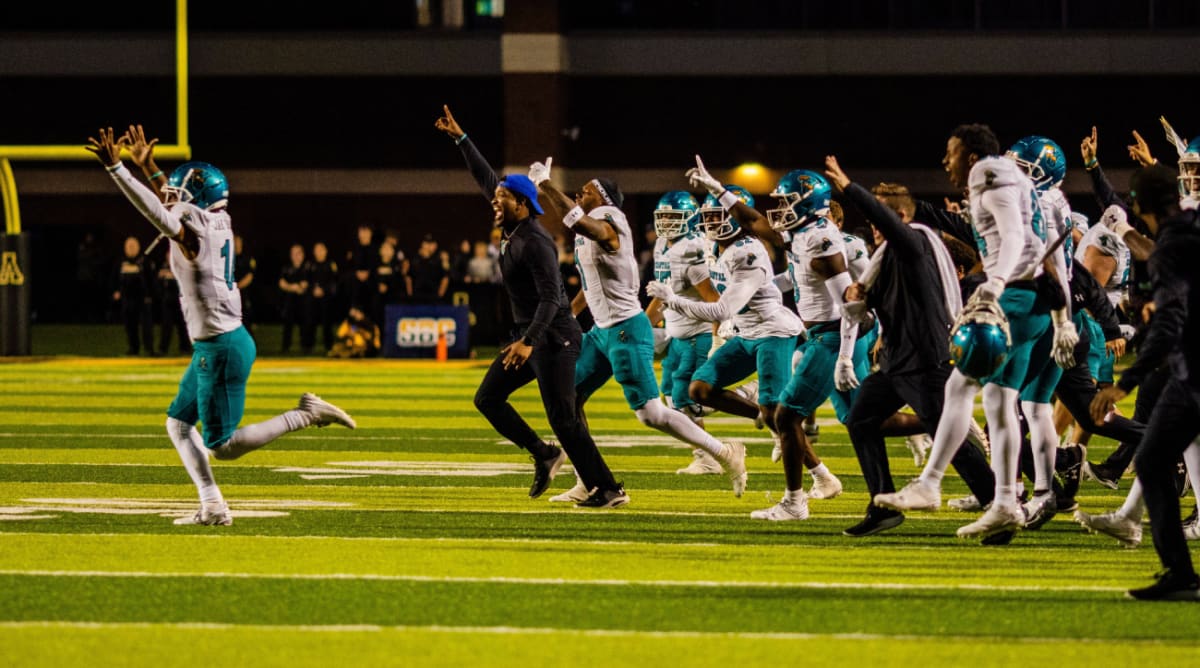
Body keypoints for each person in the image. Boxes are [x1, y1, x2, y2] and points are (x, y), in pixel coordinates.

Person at [87, 125, 355, 526]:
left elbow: (159, 212)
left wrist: (117, 171)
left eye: (180, 193)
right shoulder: (217, 219)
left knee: (222, 445)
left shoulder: (192, 231)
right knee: (178, 423)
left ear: (196, 200)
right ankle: (212, 505)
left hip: (221, 347)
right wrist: (150, 168)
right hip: (220, 342)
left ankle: (305, 414)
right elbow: (171, 203)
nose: (173, 196)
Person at [874, 123, 1078, 541]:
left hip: (1016, 297)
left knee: (959, 384)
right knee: (1001, 401)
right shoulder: (1023, 184)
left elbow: (1017, 238)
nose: (944, 161)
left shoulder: (986, 173)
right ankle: (1005, 502)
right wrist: (1062, 316)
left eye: (950, 152)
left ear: (970, 156)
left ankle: (929, 483)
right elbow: (1046, 248)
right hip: (1038, 299)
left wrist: (994, 287)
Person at [436, 104, 625, 507]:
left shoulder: (534, 241)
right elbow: (485, 177)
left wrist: (528, 341)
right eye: (497, 196)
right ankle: (544, 453)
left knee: (564, 416)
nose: (495, 200)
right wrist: (462, 139)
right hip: (532, 335)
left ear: (522, 203)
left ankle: (606, 488)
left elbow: (551, 299)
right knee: (487, 398)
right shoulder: (513, 223)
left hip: (553, 336)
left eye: (503, 197)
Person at [533, 155, 749, 501]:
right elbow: (591, 284)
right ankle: (589, 480)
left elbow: (579, 223)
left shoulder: (609, 220)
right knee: (567, 398)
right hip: (603, 331)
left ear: (603, 199)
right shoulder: (596, 223)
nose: (579, 194)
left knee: (651, 413)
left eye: (587, 191)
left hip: (624, 328)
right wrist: (570, 314)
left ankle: (724, 452)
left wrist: (546, 185)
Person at [823, 156, 997, 537]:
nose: (874, 228)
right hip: (896, 361)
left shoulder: (915, 241)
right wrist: (857, 297)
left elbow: (890, 226)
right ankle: (882, 504)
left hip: (926, 360)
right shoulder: (887, 258)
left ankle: (997, 505)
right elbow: (871, 309)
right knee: (862, 420)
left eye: (880, 219)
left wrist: (850, 188)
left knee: (950, 439)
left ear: (900, 216)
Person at [1090, 163, 1200, 600]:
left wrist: (1125, 383)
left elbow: (1173, 317)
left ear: (1138, 205)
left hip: (1192, 371)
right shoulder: (1191, 227)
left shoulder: (1172, 243)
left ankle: (1180, 574)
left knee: (1153, 461)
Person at [643, 190, 724, 474]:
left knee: (685, 396)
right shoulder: (663, 245)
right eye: (662, 216)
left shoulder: (693, 249)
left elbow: (715, 300)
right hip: (677, 334)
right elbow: (664, 293)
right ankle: (706, 452)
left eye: (673, 217)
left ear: (690, 218)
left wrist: (716, 337)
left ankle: (710, 455)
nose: (666, 223)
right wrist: (644, 324)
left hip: (697, 332)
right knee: (669, 395)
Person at [111, 235, 155, 356]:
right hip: (127, 299)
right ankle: (133, 348)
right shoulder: (121, 261)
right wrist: (116, 291)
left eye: (133, 246)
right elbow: (114, 278)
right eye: (128, 246)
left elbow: (151, 279)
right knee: (130, 325)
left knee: (146, 326)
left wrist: (150, 295)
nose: (131, 248)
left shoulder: (144, 261)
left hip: (142, 298)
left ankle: (149, 349)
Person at [155, 246, 191, 356]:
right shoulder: (163, 266)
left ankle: (185, 348)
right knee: (166, 326)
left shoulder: (183, 267)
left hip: (181, 300)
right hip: (167, 302)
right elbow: (158, 284)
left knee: (183, 326)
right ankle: (163, 349)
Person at [278, 243, 312, 355]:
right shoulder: (286, 267)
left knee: (305, 325)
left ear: (302, 254)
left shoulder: (308, 267)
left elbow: (305, 284)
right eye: (293, 253)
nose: (296, 256)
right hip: (290, 302)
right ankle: (285, 348)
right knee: (287, 325)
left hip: (304, 302)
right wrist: (292, 287)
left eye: (298, 253)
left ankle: (306, 348)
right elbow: (281, 283)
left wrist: (294, 286)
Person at [309, 241, 339, 353]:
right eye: (316, 250)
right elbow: (308, 281)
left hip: (327, 299)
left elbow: (334, 281)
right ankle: (309, 346)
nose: (319, 252)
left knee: (327, 322)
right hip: (313, 298)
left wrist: (324, 290)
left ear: (326, 251)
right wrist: (313, 289)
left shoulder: (330, 264)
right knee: (311, 321)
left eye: (321, 249)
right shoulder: (311, 265)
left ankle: (329, 346)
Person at [410, 234, 449, 304]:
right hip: (417, 297)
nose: (428, 246)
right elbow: (408, 277)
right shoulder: (414, 259)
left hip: (433, 296)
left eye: (430, 243)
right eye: (426, 243)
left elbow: (445, 278)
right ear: (422, 244)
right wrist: (410, 295)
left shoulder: (437, 260)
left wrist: (440, 295)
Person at [233, 235, 257, 336]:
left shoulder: (247, 259)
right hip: (231, 295)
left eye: (238, 242)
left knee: (246, 319)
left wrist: (237, 287)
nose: (236, 244)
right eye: (234, 241)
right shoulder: (228, 258)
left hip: (244, 294)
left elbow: (249, 277)